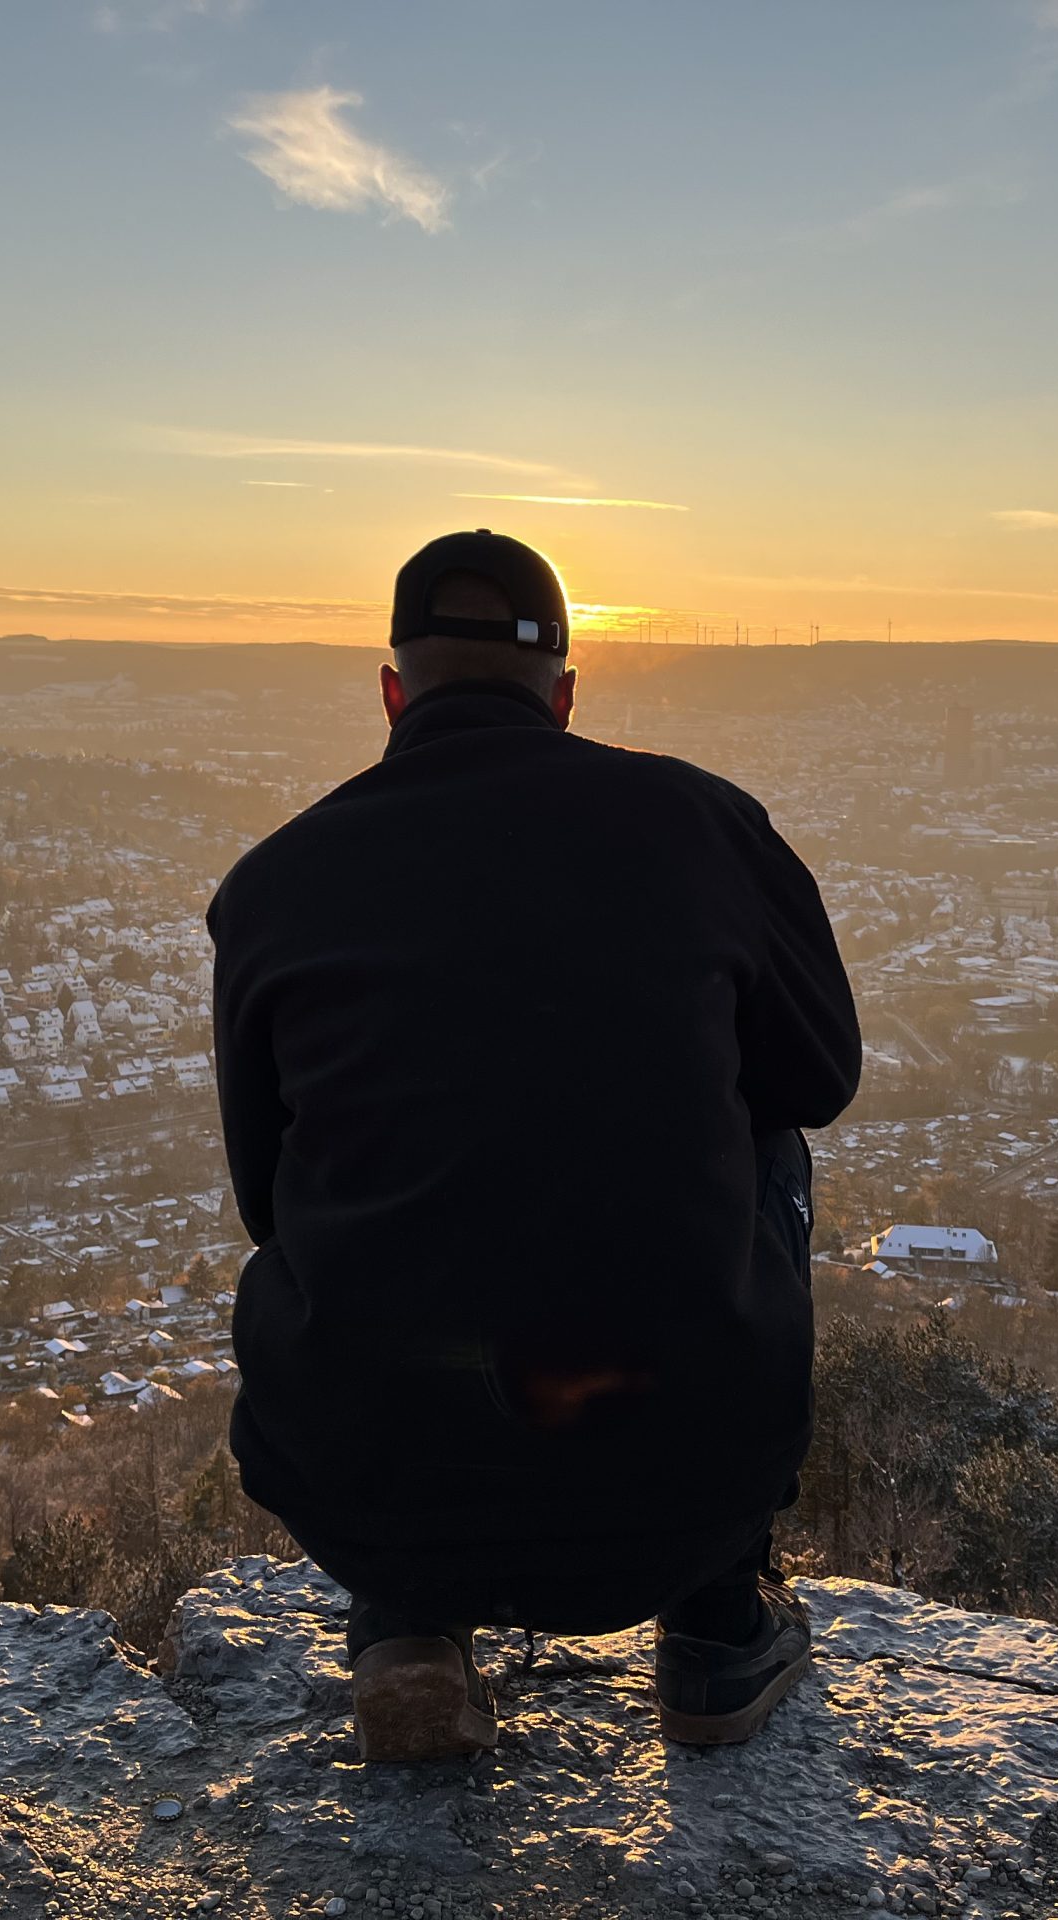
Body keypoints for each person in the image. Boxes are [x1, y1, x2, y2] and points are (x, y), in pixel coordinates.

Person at [207, 529, 860, 1762]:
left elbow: (263, 1200)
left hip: (370, 1483)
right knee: (764, 1138)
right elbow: (817, 1079)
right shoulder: (700, 823)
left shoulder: (275, 882)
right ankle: (718, 1626)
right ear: (566, 696)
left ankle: (407, 1619)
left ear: (393, 693)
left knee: (352, 1201)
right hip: (675, 1473)